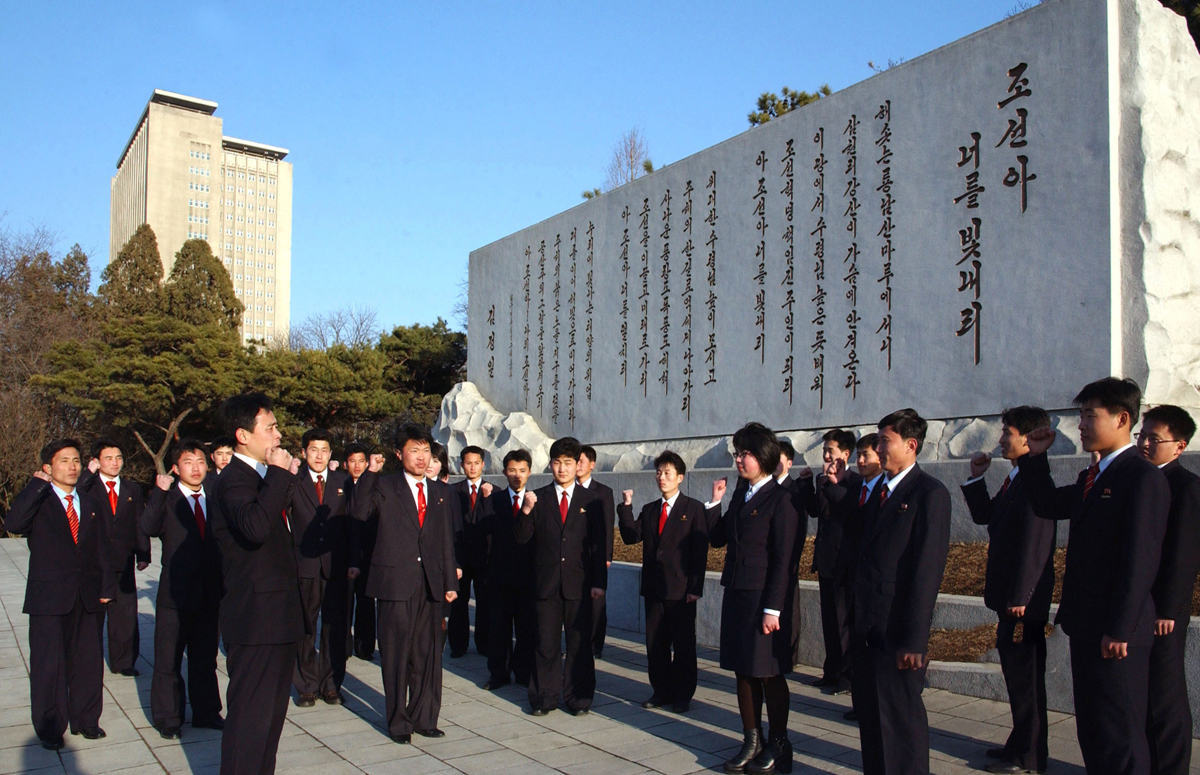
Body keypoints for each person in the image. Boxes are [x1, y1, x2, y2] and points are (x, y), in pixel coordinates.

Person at [1020, 378, 1170, 775]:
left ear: (1122, 419)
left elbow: (1141, 561)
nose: (1081, 425)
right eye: (1081, 415)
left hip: (1117, 633)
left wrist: (1120, 629)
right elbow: (1048, 503)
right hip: (1087, 626)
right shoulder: (1095, 477)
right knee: (1094, 732)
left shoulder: (1141, 478)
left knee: (1120, 735)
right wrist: (1035, 458)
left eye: (1090, 415)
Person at [853, 409, 951, 775]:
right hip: (868, 627)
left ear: (911, 445)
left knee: (900, 723)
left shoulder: (929, 494)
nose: (878, 448)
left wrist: (915, 640)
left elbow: (927, 573)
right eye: (877, 440)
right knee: (872, 720)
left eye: (884, 441)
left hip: (898, 632)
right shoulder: (878, 489)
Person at [211, 393, 303, 775]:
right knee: (250, 720)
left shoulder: (262, 477)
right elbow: (254, 527)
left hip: (279, 616)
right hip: (255, 619)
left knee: (270, 722)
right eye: (270, 428)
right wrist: (280, 476)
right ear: (243, 435)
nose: (278, 435)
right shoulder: (234, 480)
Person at [350, 424, 458, 744]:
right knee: (396, 656)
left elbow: (445, 540)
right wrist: (370, 473)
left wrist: (450, 580)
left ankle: (425, 717)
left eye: (426, 451)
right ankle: (398, 722)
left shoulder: (440, 492)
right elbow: (358, 511)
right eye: (414, 450)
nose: (422, 458)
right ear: (399, 454)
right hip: (394, 583)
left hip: (431, 585)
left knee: (427, 656)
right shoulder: (384, 486)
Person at [963, 407, 1057, 774]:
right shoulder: (1014, 478)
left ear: (1029, 438)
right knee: (1016, 678)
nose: (1001, 439)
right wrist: (975, 479)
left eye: (1007, 433)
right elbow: (987, 515)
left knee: (1027, 681)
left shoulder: (1035, 480)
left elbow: (1036, 543)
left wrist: (1022, 596)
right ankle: (1019, 743)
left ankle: (1030, 756)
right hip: (1010, 599)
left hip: (1023, 603)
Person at [8, 440, 115, 750]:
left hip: (88, 594)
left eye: (76, 460)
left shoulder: (89, 500)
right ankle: (51, 727)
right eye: (64, 460)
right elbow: (14, 524)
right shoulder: (39, 499)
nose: (72, 466)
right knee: (49, 665)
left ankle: (87, 720)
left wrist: (107, 587)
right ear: (47, 467)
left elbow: (101, 547)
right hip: (49, 596)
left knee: (88, 661)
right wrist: (36, 486)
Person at [707, 422, 801, 775]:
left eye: (744, 453)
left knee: (768, 673)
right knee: (743, 672)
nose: (739, 460)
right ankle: (751, 739)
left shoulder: (782, 499)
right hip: (737, 595)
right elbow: (719, 539)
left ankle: (779, 744)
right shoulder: (741, 493)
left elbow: (784, 560)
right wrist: (715, 503)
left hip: (764, 601)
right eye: (737, 453)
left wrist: (773, 608)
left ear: (763, 456)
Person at [514, 436, 608, 716]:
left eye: (568, 463)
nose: (563, 469)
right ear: (551, 465)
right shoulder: (538, 498)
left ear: (578, 464)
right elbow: (521, 538)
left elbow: (598, 544)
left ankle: (579, 698)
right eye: (557, 463)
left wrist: (599, 583)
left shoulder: (592, 500)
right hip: (545, 585)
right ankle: (544, 698)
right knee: (545, 644)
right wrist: (526, 511)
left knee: (579, 645)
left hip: (579, 585)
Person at [141, 439, 225, 739]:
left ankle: (207, 712)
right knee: (168, 659)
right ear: (176, 468)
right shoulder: (168, 498)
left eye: (201, 461)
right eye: (189, 462)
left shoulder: (214, 497)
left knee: (204, 658)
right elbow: (149, 527)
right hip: (175, 595)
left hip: (208, 592)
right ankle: (169, 717)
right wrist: (158, 491)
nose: (196, 468)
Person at [617, 450, 709, 713]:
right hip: (654, 587)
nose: (662, 477)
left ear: (680, 477)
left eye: (667, 473)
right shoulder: (649, 510)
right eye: (658, 472)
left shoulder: (692, 509)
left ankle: (682, 696)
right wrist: (625, 508)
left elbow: (699, 553)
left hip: (681, 591)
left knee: (683, 645)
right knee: (655, 645)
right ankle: (661, 691)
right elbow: (631, 537)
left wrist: (695, 587)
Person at [1136, 404, 1200, 775]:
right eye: (1142, 436)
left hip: (1163, 614)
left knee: (1165, 698)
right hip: (1139, 608)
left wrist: (1167, 610)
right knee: (1143, 696)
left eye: (1154, 439)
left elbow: (1183, 555)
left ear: (1179, 446)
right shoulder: (1142, 480)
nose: (1145, 444)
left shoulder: (1186, 487)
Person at [290, 428, 352, 707]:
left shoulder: (343, 481)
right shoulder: (293, 480)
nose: (319, 455)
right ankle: (306, 684)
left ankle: (330, 683)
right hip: (303, 565)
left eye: (324, 450)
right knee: (304, 626)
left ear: (331, 453)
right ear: (304, 452)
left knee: (334, 628)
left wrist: (353, 561)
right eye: (313, 450)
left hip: (336, 566)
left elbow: (353, 524)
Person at [79, 438, 149, 677]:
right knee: (92, 615)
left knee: (125, 616)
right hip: (93, 562)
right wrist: (87, 474)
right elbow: (74, 493)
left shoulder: (132, 489)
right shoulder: (88, 487)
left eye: (119, 458)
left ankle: (124, 661)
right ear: (96, 462)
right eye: (108, 458)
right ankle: (87, 660)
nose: (115, 463)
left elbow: (139, 522)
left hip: (123, 560)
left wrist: (144, 553)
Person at [807, 428, 861, 696]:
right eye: (825, 450)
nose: (826, 455)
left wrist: (836, 484)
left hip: (845, 562)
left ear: (845, 454)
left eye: (831, 451)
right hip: (826, 559)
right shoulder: (822, 479)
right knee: (828, 620)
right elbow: (816, 511)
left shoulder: (854, 481)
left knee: (843, 623)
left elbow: (850, 517)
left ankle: (847, 678)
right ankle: (830, 672)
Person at [482, 449, 537, 690]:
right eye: (512, 470)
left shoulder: (537, 502)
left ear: (530, 472)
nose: (517, 476)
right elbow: (485, 538)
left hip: (528, 577)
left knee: (526, 628)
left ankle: (523, 672)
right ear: (504, 472)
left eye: (522, 471)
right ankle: (498, 673)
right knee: (499, 629)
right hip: (500, 576)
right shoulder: (493, 501)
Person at [448, 446, 493, 659]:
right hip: (460, 557)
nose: (472, 467)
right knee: (459, 603)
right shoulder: (451, 492)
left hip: (484, 558)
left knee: (485, 603)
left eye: (476, 463)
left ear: (483, 465)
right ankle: (458, 645)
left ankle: (484, 644)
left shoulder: (494, 492)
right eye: (468, 463)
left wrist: (485, 499)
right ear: (461, 465)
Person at [577, 445, 615, 659]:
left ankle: (594, 645)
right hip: (574, 556)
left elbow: (608, 525)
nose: (578, 465)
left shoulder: (602, 492)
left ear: (592, 464)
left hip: (595, 556)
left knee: (596, 603)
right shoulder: (568, 488)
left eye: (581, 461)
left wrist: (607, 556)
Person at [344, 443, 377, 661]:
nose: (357, 466)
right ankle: (343, 647)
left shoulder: (376, 487)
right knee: (344, 605)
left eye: (361, 461)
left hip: (368, 555)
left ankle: (365, 647)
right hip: (344, 555)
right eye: (352, 461)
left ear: (367, 463)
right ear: (346, 463)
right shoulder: (339, 485)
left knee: (366, 604)